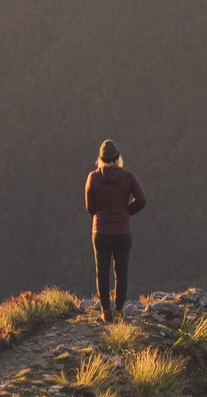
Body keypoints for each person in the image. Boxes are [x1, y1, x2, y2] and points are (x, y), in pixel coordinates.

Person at [84, 138, 145, 322]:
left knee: (102, 272)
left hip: (100, 231)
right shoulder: (128, 177)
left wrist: (100, 216)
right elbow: (141, 200)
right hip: (122, 232)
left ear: (100, 159)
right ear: (118, 158)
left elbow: (90, 207)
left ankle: (105, 312)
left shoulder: (93, 177)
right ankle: (119, 311)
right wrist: (127, 212)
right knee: (121, 272)